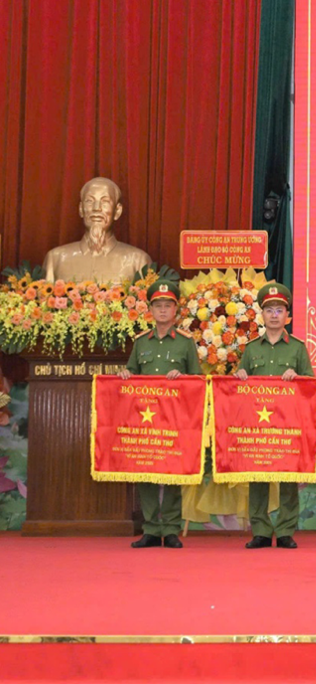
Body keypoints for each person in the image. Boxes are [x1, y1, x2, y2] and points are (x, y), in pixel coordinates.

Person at [118, 280, 201, 549]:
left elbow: (198, 380)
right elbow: (131, 372)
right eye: (158, 306)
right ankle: (152, 529)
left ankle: (172, 529)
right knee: (147, 472)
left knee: (174, 472)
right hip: (146, 419)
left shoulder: (186, 343)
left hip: (175, 419)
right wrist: (126, 374)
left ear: (176, 310)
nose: (163, 310)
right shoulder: (141, 341)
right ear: (151, 310)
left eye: (168, 305)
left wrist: (183, 377)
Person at [234, 283, 314, 550]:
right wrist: (240, 376)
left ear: (287, 315)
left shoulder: (298, 348)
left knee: (288, 478)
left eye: (280, 310)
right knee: (258, 477)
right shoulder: (251, 349)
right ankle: (260, 530)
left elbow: (311, 386)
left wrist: (298, 377)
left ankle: (286, 530)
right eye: (269, 310)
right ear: (262, 315)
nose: (275, 315)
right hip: (258, 426)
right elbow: (238, 389)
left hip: (288, 424)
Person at [44, 177, 151, 284]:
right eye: (89, 201)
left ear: (117, 211)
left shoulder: (138, 261)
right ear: (81, 209)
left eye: (105, 201)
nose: (96, 208)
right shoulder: (55, 259)